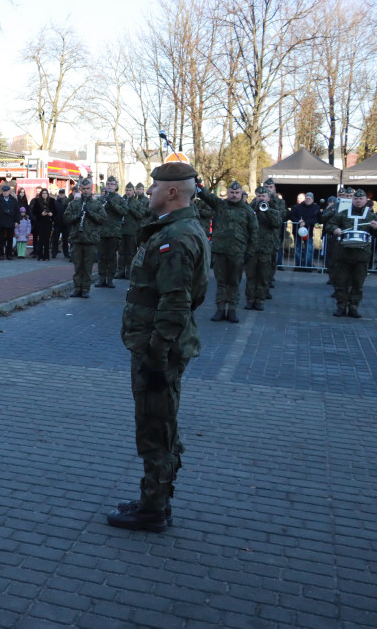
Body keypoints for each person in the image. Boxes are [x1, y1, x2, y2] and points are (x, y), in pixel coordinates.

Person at [107, 161, 209, 533]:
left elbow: (176, 302)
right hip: (157, 345)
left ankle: (154, 509)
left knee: (156, 429)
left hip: (159, 350)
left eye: (153, 188)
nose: (147, 193)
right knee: (157, 424)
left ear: (171, 192)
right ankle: (153, 498)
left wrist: (155, 354)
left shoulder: (176, 237)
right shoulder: (174, 229)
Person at [197, 181, 258, 323]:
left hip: (238, 253)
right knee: (221, 282)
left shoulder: (248, 211)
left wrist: (250, 252)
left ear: (242, 194)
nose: (234, 195)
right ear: (228, 193)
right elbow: (207, 196)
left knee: (234, 282)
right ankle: (219, 310)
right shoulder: (220, 205)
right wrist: (198, 184)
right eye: (231, 192)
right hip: (220, 251)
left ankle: (232, 310)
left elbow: (254, 233)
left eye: (237, 193)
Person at [326, 189, 377, 318]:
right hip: (343, 254)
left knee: (358, 283)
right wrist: (335, 229)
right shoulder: (343, 214)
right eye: (356, 199)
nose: (358, 201)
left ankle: (354, 307)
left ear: (366, 200)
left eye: (361, 199)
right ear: (352, 200)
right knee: (341, 283)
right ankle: (341, 307)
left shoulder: (371, 216)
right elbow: (329, 225)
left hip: (361, 256)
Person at [64, 179, 106, 297]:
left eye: (88, 189)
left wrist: (90, 213)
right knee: (78, 266)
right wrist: (77, 216)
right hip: (77, 238)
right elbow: (66, 218)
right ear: (80, 189)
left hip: (91, 239)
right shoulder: (74, 203)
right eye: (83, 189)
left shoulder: (96, 204)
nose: (86, 191)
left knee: (88, 267)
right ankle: (77, 287)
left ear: (91, 189)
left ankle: (86, 289)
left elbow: (103, 219)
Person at [244, 187, 282, 310]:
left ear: (269, 198)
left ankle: (260, 300)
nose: (261, 198)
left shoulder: (274, 211)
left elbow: (276, 224)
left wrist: (267, 212)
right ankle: (250, 299)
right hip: (252, 248)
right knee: (251, 275)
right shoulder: (249, 210)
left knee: (263, 276)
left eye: (264, 196)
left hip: (266, 249)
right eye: (259, 196)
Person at [96, 176, 128, 288]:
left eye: (112, 184)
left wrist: (112, 203)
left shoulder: (120, 199)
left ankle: (110, 279)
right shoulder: (101, 199)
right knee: (101, 256)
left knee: (111, 256)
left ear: (116, 186)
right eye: (108, 183)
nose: (109, 185)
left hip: (114, 232)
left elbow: (124, 212)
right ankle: (101, 278)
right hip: (102, 232)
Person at [118, 182, 145, 279]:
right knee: (121, 252)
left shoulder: (137, 203)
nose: (128, 192)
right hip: (121, 230)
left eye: (130, 190)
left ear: (133, 191)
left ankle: (129, 271)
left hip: (132, 230)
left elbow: (141, 215)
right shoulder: (122, 201)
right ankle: (121, 270)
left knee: (131, 253)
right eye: (127, 190)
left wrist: (130, 209)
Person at [289, 192, 320, 268]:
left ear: (312, 200)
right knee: (298, 248)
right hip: (297, 231)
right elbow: (291, 215)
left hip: (308, 232)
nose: (308, 200)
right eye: (306, 198)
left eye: (309, 199)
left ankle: (308, 265)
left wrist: (306, 223)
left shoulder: (316, 208)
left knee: (309, 249)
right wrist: (298, 221)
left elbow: (317, 218)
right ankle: (298, 265)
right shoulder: (297, 207)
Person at [31, 188, 54, 260]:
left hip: (48, 222)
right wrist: (41, 214)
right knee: (40, 239)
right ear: (41, 194)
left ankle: (46, 256)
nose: (45, 195)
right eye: (43, 193)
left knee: (47, 239)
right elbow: (34, 212)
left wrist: (51, 214)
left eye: (46, 193)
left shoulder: (52, 201)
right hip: (40, 223)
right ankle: (40, 255)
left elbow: (55, 212)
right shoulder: (37, 201)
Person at [50, 188, 70, 259]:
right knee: (55, 240)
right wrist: (54, 219)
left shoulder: (68, 202)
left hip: (65, 224)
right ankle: (54, 253)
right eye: (60, 193)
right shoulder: (55, 202)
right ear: (58, 194)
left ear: (64, 194)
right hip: (57, 223)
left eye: (62, 193)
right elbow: (52, 212)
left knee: (65, 240)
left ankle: (66, 253)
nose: (61, 194)